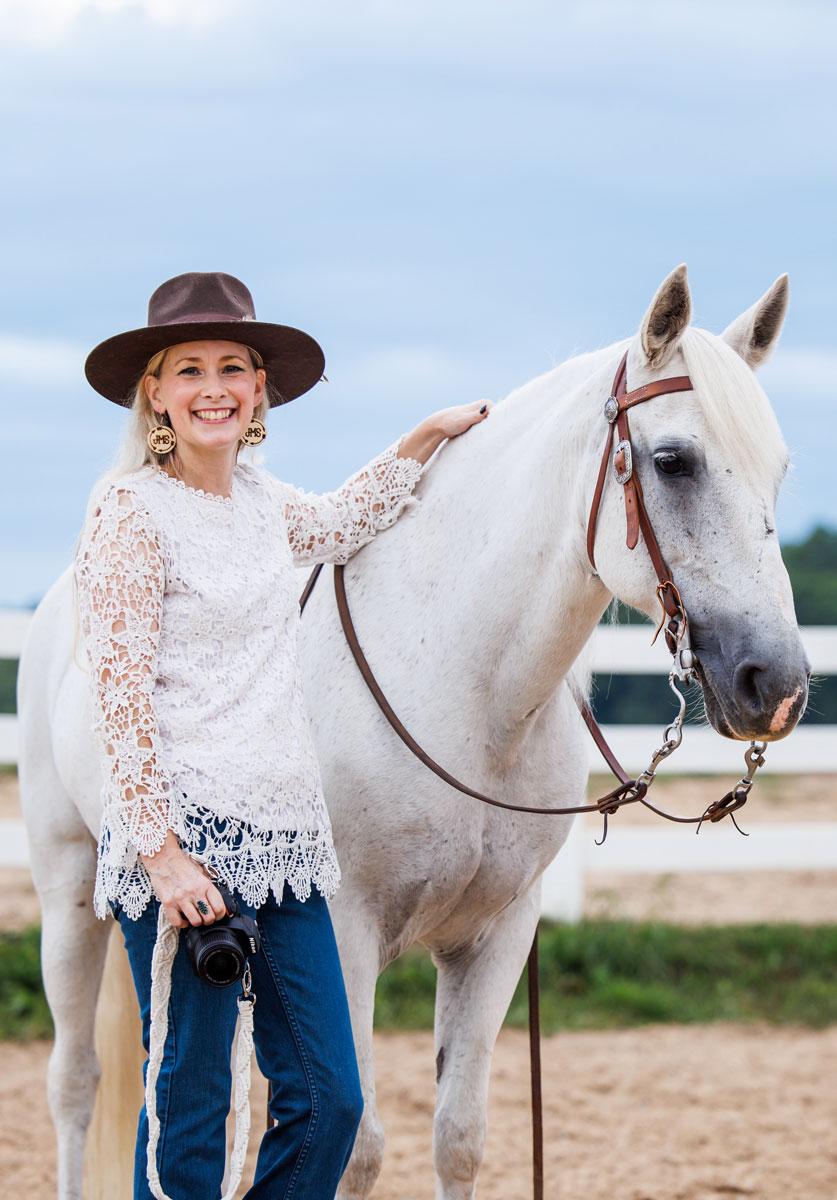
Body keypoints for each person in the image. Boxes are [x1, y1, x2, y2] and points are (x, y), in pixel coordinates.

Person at [74, 271, 490, 1199]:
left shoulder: (265, 506)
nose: (213, 386)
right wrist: (164, 856)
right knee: (188, 1111)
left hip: (288, 844)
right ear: (156, 392)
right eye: (189, 369)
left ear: (259, 389)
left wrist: (422, 439)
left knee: (328, 1100)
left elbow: (348, 519)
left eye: (233, 367)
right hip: (184, 853)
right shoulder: (129, 514)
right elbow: (121, 696)